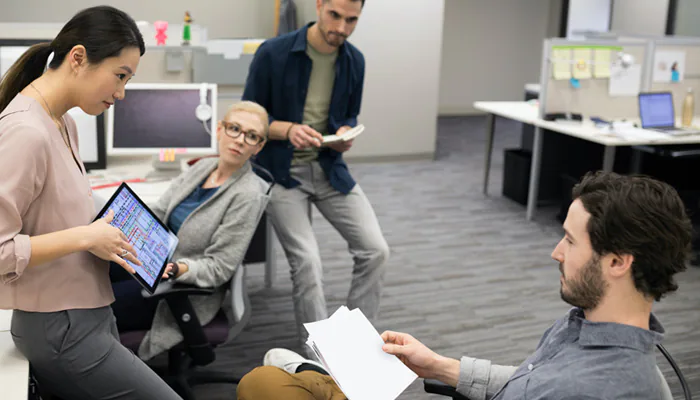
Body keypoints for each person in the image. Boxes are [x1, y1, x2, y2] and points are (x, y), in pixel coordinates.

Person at [236, 171, 692, 400]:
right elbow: (525, 384)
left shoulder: (606, 388)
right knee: (280, 379)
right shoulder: (586, 326)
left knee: (263, 383)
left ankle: (308, 374)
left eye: (571, 242)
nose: (555, 252)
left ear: (617, 261)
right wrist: (437, 366)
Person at [0, 6, 184, 399]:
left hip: (87, 312)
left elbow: (58, 204)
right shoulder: (25, 132)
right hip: (59, 326)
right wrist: (85, 237)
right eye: (120, 76)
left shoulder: (60, 121)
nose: (121, 93)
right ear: (78, 58)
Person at [242, 0, 390, 349]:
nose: (341, 27)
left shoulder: (354, 61)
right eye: (334, 16)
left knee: (376, 251)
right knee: (307, 262)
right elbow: (250, 117)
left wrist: (344, 134)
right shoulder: (273, 53)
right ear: (320, 5)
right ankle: (320, 354)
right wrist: (288, 129)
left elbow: (350, 115)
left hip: (328, 168)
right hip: (282, 171)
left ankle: (354, 344)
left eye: (351, 20)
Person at [109, 101, 271, 360]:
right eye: (234, 129)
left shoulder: (248, 195)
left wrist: (177, 269)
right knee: (88, 268)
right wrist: (128, 223)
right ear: (219, 130)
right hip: (152, 257)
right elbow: (161, 212)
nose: (240, 140)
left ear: (259, 146)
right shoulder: (202, 167)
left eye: (251, 136)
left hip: (177, 289)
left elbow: (219, 267)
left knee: (96, 303)